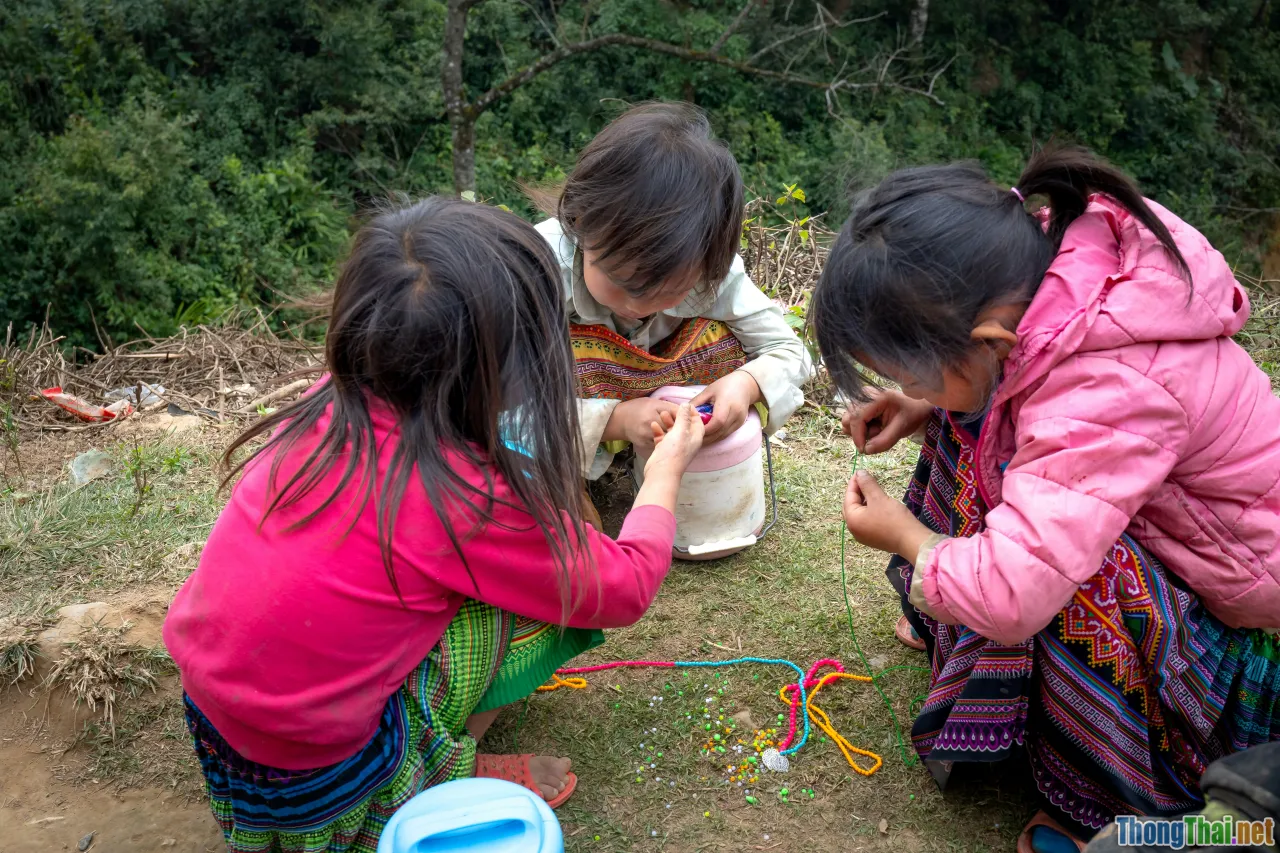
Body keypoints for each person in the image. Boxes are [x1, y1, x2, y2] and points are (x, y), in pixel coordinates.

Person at [163, 196, 705, 853]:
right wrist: (665, 472)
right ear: (504, 368)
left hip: (228, 759)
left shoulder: (325, 404)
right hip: (332, 785)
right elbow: (621, 587)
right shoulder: (462, 496)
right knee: (545, 594)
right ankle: (435, 778)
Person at [812, 146, 1280, 853]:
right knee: (968, 428)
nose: (910, 385)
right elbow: (1000, 406)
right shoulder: (1052, 285)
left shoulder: (1104, 385)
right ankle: (955, 637)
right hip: (1175, 545)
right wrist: (922, 402)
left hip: (1240, 645)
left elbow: (1020, 590)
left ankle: (1108, 793)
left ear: (988, 340)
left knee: (1071, 576)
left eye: (910, 371)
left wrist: (912, 541)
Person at [531, 102, 811, 481]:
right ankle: (574, 477)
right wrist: (614, 421)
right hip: (562, 424)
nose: (637, 305)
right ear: (580, 221)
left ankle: (679, 467)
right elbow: (494, 410)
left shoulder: (710, 271)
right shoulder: (534, 272)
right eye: (622, 280)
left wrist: (746, 384)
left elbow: (790, 352)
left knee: (725, 341)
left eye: (671, 290)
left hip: (666, 409)